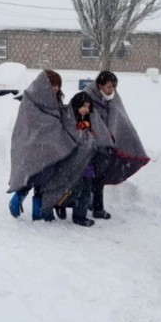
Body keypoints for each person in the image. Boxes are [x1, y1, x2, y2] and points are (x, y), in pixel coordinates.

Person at [7, 70, 95, 222]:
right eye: (53, 85)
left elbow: (60, 118)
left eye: (57, 85)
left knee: (45, 178)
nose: (55, 88)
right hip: (33, 146)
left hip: (50, 147)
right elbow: (28, 124)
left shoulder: (55, 100)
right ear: (44, 85)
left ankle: (38, 212)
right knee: (32, 175)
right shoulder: (31, 99)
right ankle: (17, 199)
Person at [82, 71, 150, 219]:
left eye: (113, 87)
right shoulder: (87, 95)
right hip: (92, 143)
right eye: (108, 87)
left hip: (108, 144)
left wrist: (111, 133)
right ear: (99, 85)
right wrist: (99, 135)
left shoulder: (113, 95)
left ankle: (92, 203)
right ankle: (94, 206)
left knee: (99, 174)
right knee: (93, 175)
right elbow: (87, 118)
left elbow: (116, 113)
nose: (111, 90)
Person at [54, 91, 115, 227]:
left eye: (89, 107)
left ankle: (79, 216)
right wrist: (88, 137)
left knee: (86, 188)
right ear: (77, 105)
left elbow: (95, 136)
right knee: (76, 189)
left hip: (87, 162)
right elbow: (74, 138)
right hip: (73, 162)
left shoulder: (89, 120)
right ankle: (60, 203)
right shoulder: (69, 118)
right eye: (84, 106)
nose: (87, 109)